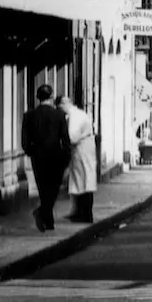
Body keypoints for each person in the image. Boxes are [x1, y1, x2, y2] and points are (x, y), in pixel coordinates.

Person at [22, 84, 71, 232]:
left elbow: (24, 141)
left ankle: (46, 219)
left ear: (38, 98)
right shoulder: (59, 115)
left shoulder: (29, 116)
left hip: (38, 158)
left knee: (43, 189)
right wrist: (66, 156)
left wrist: (32, 152)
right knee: (53, 189)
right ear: (51, 97)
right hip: (56, 157)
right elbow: (65, 139)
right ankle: (45, 217)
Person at [60, 93, 98, 223]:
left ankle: (85, 214)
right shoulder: (80, 114)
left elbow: (73, 136)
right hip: (85, 150)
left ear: (64, 104)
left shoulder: (74, 117)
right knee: (83, 182)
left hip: (81, 151)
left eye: (60, 107)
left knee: (83, 182)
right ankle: (81, 213)